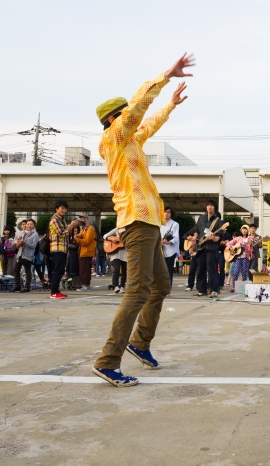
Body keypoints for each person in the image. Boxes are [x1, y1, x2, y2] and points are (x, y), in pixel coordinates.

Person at [91, 53, 194, 387]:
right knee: (137, 291)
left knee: (160, 286)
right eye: (124, 115)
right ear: (113, 119)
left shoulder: (131, 140)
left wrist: (172, 105)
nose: (131, 118)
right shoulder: (113, 139)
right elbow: (138, 111)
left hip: (149, 222)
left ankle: (139, 343)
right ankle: (107, 361)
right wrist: (164, 77)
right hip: (136, 221)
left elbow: (149, 122)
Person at [187, 200, 227, 298]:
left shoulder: (218, 222)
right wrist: (194, 239)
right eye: (208, 205)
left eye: (212, 206)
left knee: (211, 269)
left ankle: (214, 290)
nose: (210, 207)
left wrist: (213, 237)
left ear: (215, 208)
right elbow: (197, 229)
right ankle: (202, 290)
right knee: (200, 269)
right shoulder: (201, 218)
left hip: (211, 248)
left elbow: (218, 237)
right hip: (200, 247)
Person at [47, 201, 69, 299]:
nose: (64, 210)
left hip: (63, 248)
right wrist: (71, 226)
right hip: (57, 248)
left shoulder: (62, 220)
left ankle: (56, 290)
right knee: (58, 270)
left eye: (65, 208)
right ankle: (54, 292)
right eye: (62, 208)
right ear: (57, 209)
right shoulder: (54, 220)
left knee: (60, 270)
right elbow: (62, 233)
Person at [14, 219, 39, 293]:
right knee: (16, 270)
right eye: (28, 224)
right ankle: (17, 286)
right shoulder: (22, 233)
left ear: (34, 225)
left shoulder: (35, 234)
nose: (29, 225)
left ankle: (27, 287)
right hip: (20, 254)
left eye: (31, 224)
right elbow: (13, 242)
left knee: (27, 270)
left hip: (28, 255)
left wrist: (25, 242)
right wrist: (17, 243)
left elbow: (33, 246)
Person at [74, 215, 97, 292]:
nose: (82, 220)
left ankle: (86, 285)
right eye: (81, 218)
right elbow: (80, 235)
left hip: (87, 252)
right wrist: (76, 235)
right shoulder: (84, 229)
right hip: (83, 252)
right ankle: (85, 285)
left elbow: (86, 241)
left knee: (85, 270)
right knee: (84, 269)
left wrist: (77, 239)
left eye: (83, 218)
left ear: (87, 219)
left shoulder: (90, 229)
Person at [160, 206, 180, 289]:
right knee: (160, 270)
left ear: (171, 214)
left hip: (171, 250)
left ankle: (167, 288)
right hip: (161, 250)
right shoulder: (159, 224)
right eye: (165, 212)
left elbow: (176, 237)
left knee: (169, 270)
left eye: (168, 212)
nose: (166, 214)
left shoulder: (175, 224)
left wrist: (168, 242)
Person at [104, 227, 128, 294]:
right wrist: (112, 238)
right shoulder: (117, 229)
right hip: (116, 252)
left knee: (124, 270)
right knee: (116, 269)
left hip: (125, 251)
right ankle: (115, 286)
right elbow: (105, 236)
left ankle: (122, 286)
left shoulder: (131, 229)